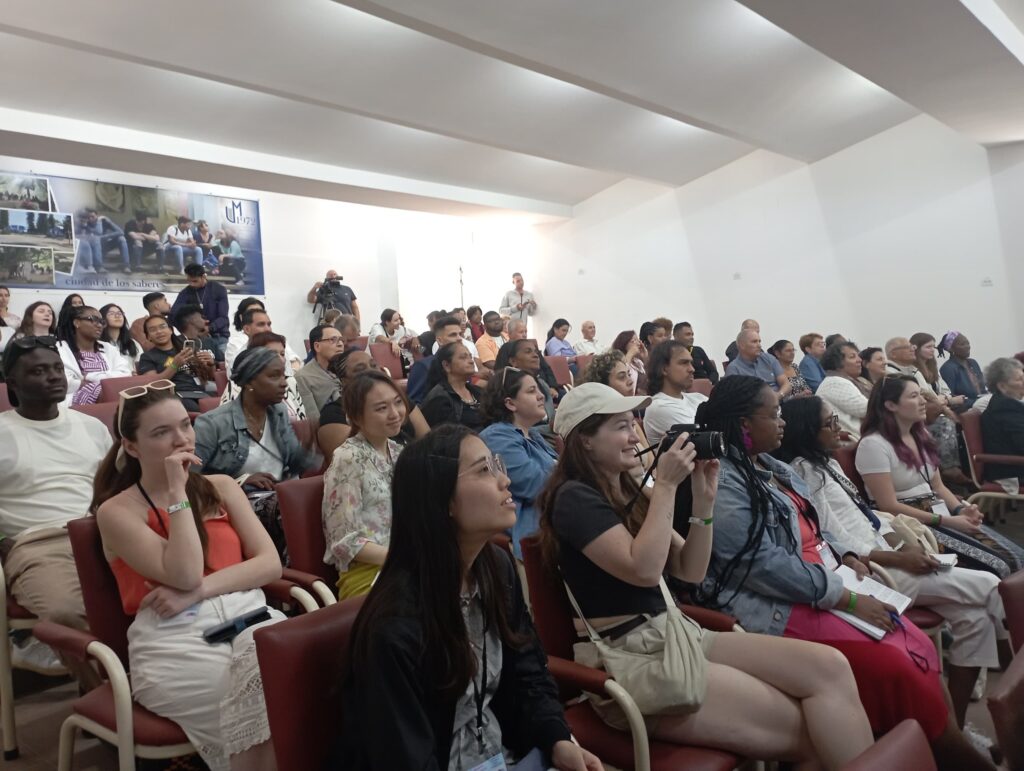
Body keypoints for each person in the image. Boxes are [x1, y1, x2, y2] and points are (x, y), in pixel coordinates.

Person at [537, 382, 875, 769]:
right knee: (810, 731)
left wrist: (703, 500)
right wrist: (665, 486)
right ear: (585, 442)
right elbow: (645, 572)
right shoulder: (574, 498)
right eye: (620, 427)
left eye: (634, 424)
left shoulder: (630, 488)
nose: (635, 436)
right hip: (634, 659)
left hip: (676, 634)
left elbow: (691, 570)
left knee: (830, 666)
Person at [695, 376, 991, 769]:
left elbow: (820, 526)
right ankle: (953, 758)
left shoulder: (770, 466)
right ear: (745, 424)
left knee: (917, 644)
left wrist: (846, 553)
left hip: (824, 580)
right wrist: (845, 596)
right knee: (897, 666)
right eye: (774, 413)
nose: (782, 421)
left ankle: (938, 746)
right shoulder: (725, 477)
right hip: (779, 602)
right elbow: (760, 564)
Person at [339, 424, 602, 771]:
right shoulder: (396, 625)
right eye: (483, 470)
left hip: (505, 754)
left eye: (497, 466)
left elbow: (527, 674)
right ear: (443, 500)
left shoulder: (496, 568)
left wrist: (556, 738)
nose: (503, 480)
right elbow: (404, 757)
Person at [776, 396, 1010, 728]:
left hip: (887, 554)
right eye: (829, 423)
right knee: (993, 586)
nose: (838, 428)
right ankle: (1014, 704)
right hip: (872, 573)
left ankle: (956, 727)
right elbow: (831, 536)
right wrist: (897, 556)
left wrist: (903, 544)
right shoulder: (804, 471)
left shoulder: (823, 462)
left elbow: (865, 516)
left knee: (975, 620)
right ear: (807, 430)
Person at [90, 382, 283, 771]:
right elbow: (184, 572)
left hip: (249, 616)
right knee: (257, 715)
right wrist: (177, 491)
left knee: (293, 696)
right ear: (131, 446)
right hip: (173, 639)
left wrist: (198, 592)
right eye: (161, 433)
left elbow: (269, 565)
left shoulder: (223, 487)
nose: (181, 440)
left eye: (185, 425)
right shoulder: (115, 512)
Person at [0, 336, 111, 680]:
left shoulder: (91, 427)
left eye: (56, 368)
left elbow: (112, 489)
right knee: (67, 612)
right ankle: (111, 707)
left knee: (163, 592)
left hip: (101, 534)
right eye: (38, 371)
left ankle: (150, 695)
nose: (53, 376)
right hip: (37, 544)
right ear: (13, 384)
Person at [856, 375, 1024, 578]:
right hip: (909, 522)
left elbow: (938, 486)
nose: (923, 401)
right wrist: (947, 520)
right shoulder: (873, 445)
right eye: (914, 396)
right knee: (1000, 566)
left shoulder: (920, 435)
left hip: (937, 512)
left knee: (1017, 557)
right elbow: (888, 505)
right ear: (890, 405)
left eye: (921, 395)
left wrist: (962, 509)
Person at [195, 347, 318, 560]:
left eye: (284, 375)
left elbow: (294, 462)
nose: (284, 382)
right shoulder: (212, 423)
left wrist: (312, 448)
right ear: (249, 382)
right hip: (240, 504)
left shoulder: (278, 412)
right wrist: (240, 481)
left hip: (283, 493)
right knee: (291, 510)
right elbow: (190, 479)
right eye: (274, 376)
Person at [322, 370, 408, 599]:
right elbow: (343, 542)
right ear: (356, 417)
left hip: (406, 564)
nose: (394, 414)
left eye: (398, 402)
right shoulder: (348, 458)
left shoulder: (400, 453)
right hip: (369, 573)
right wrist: (404, 559)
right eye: (381, 408)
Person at [479, 367, 558, 559]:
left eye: (539, 390)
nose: (541, 396)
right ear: (510, 403)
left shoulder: (534, 435)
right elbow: (538, 485)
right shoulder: (496, 437)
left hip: (556, 515)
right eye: (531, 391)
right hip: (538, 529)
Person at [318, 350, 429, 462]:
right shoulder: (334, 413)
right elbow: (353, 460)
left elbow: (428, 442)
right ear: (344, 381)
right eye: (360, 370)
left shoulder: (397, 398)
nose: (371, 372)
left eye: (374, 365)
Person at [908, 333, 969, 487]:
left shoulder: (932, 367)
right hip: (927, 416)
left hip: (941, 407)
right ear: (916, 348)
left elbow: (945, 391)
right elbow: (926, 394)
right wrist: (946, 400)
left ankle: (966, 468)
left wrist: (946, 399)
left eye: (933, 347)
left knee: (963, 418)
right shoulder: (912, 370)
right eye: (928, 347)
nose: (932, 350)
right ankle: (950, 468)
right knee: (947, 422)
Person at [219, 332, 306, 422]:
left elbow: (303, 421)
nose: (280, 359)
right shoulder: (238, 384)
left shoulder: (290, 382)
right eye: (272, 354)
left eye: (282, 354)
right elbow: (227, 423)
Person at [56, 305, 132, 406]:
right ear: (77, 323)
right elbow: (64, 381)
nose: (99, 325)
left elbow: (125, 374)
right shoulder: (60, 348)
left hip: (111, 395)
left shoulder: (108, 348)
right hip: (71, 401)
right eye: (93, 320)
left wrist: (89, 377)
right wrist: (90, 385)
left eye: (102, 322)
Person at [137, 315, 216, 412]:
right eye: (153, 330)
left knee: (219, 407)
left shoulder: (185, 349)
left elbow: (208, 377)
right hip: (174, 395)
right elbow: (154, 384)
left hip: (199, 392)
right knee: (201, 410)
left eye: (162, 327)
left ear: (171, 330)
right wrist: (175, 365)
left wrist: (211, 365)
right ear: (148, 337)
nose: (159, 332)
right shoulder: (147, 357)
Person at [643, 340, 710, 447]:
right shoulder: (659, 407)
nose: (692, 369)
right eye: (684, 363)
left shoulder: (698, 397)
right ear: (664, 369)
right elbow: (706, 438)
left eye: (691, 363)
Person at [979, 358, 1024, 490]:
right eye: (1019, 379)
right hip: (1011, 472)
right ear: (1002, 386)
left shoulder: (1006, 403)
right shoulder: (1005, 408)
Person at [420, 342, 485, 430]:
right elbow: (448, 438)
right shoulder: (439, 399)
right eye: (463, 357)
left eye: (470, 356)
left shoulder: (478, 391)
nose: (471, 361)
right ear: (446, 365)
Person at [170, 265, 230, 356]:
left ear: (204, 277)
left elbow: (223, 317)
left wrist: (209, 328)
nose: (192, 284)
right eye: (189, 281)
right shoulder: (185, 293)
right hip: (198, 340)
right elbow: (173, 315)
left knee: (220, 366)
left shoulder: (218, 289)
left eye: (195, 281)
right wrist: (187, 332)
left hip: (219, 337)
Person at [816, 342, 870, 441]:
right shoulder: (836, 382)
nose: (859, 360)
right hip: (848, 441)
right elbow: (865, 409)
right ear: (837, 363)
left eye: (858, 356)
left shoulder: (842, 380)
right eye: (852, 357)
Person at [225, 305, 302, 373]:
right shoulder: (239, 359)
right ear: (247, 329)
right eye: (261, 324)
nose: (267, 329)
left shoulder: (280, 352)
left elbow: (288, 379)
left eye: (269, 324)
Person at [293, 325, 342, 423]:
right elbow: (313, 419)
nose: (340, 344)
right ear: (317, 346)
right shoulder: (303, 377)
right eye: (333, 339)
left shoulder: (348, 369)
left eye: (341, 340)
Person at [724, 328, 791, 396]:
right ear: (742, 345)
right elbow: (734, 396)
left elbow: (786, 384)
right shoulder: (734, 368)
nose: (759, 345)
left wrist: (779, 395)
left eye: (759, 341)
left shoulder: (769, 359)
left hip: (779, 401)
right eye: (754, 342)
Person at [938, 332, 987, 408]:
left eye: (968, 343)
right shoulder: (948, 368)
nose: (968, 347)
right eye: (962, 344)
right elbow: (950, 396)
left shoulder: (973, 363)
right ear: (951, 348)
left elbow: (983, 389)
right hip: (965, 409)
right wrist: (978, 402)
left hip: (982, 405)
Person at [76, 209, 130, 274]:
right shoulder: (86, 223)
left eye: (93, 216)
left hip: (104, 245)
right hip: (93, 249)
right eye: (89, 217)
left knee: (121, 239)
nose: (90, 219)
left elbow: (121, 232)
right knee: (96, 239)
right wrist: (98, 223)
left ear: (97, 216)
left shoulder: (104, 221)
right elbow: (96, 233)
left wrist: (109, 222)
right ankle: (99, 267)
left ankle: (126, 266)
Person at [99, 303, 140, 373]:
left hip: (130, 380)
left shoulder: (132, 343)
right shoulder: (98, 343)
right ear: (102, 319)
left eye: (120, 313)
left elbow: (139, 364)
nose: (117, 316)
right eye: (111, 314)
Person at [610, 330, 646, 395]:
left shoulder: (638, 362)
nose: (638, 344)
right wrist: (630, 354)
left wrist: (645, 358)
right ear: (624, 345)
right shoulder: (618, 361)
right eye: (633, 341)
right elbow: (623, 373)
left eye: (638, 340)